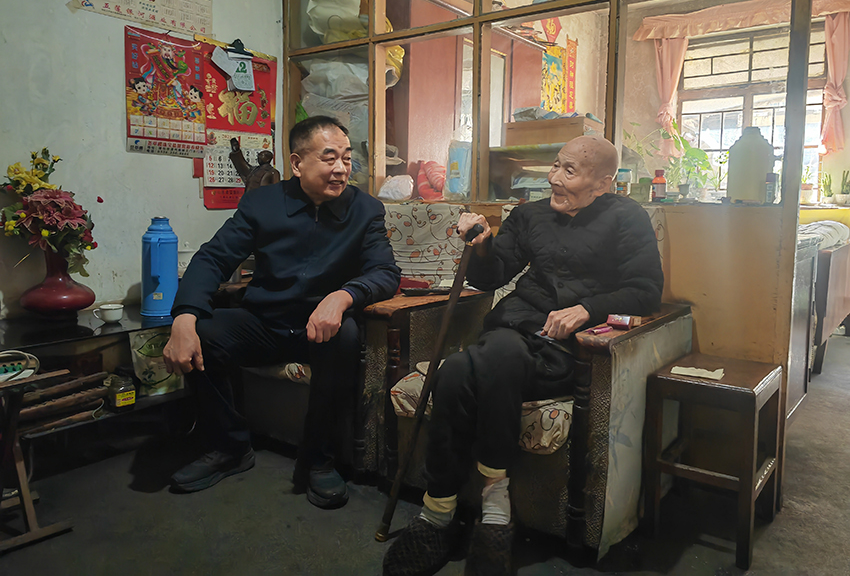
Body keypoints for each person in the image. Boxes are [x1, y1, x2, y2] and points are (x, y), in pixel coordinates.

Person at [383, 135, 663, 575]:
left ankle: (471, 511)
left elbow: (646, 290)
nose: (553, 178)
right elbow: (491, 276)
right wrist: (481, 243)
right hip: (512, 330)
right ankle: (455, 507)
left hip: (565, 349)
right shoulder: (528, 215)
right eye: (555, 165)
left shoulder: (627, 218)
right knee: (456, 371)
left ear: (603, 183)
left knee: (479, 361)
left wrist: (587, 309)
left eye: (569, 171)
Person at [163, 115, 401, 509]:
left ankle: (320, 460)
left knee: (345, 336)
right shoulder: (262, 204)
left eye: (346, 158)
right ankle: (230, 448)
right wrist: (184, 317)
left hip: (321, 329)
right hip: (265, 323)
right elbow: (213, 258)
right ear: (297, 163)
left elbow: (385, 272)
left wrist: (343, 296)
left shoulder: (365, 209)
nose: (341, 169)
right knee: (203, 332)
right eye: (329, 158)